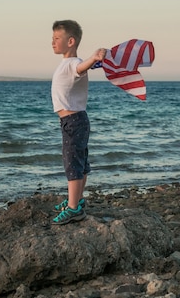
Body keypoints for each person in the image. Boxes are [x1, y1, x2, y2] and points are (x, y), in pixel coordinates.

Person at [50, 20, 107, 225]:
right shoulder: (67, 63)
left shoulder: (73, 64)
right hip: (76, 120)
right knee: (79, 162)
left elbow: (81, 67)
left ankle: (74, 209)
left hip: (73, 121)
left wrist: (93, 57)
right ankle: (77, 200)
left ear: (71, 41)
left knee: (72, 163)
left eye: (57, 38)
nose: (52, 42)